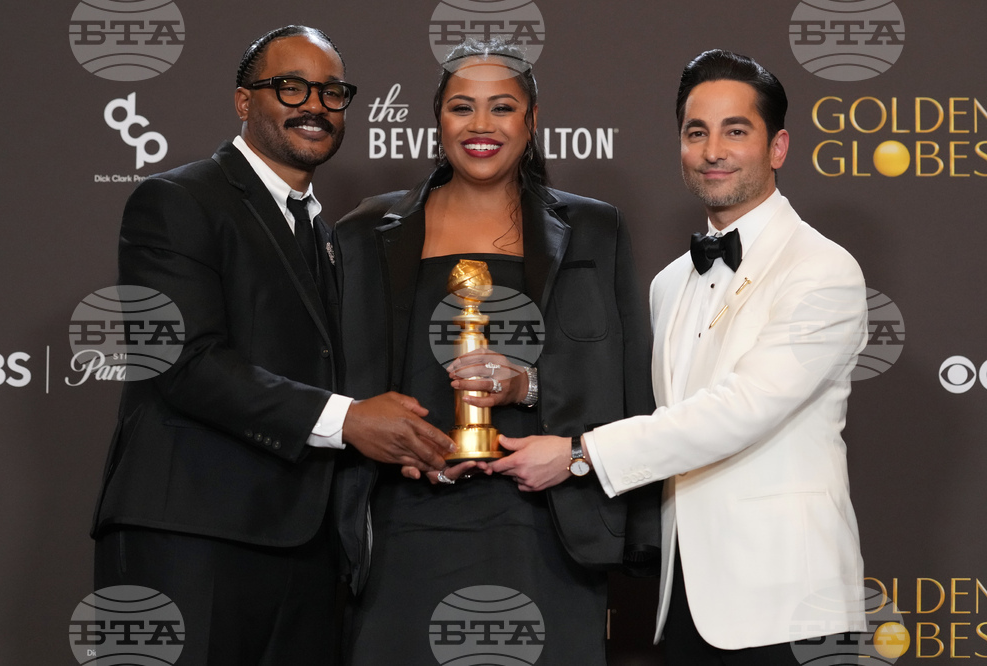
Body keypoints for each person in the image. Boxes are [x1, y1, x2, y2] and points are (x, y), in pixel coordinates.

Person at [90, 25, 455, 665]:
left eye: (332, 92)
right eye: (291, 87)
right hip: (191, 537)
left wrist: (411, 439)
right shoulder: (176, 200)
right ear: (243, 101)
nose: (314, 105)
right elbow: (185, 362)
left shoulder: (328, 235)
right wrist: (351, 420)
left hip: (305, 547)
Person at [495, 49, 868, 664]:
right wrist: (528, 389)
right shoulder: (669, 282)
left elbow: (741, 410)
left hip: (790, 603)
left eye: (736, 131)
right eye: (697, 133)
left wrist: (579, 455)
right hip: (686, 598)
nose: (713, 151)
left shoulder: (822, 268)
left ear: (778, 147)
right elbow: (642, 401)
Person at [334, 39, 657, 665]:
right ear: (437, 119)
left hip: (549, 529)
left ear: (532, 121)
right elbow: (342, 384)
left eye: (502, 107)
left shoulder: (595, 229)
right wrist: (402, 452)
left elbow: (623, 380)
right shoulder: (364, 233)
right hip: (404, 524)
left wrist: (528, 386)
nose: (481, 125)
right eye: (462, 107)